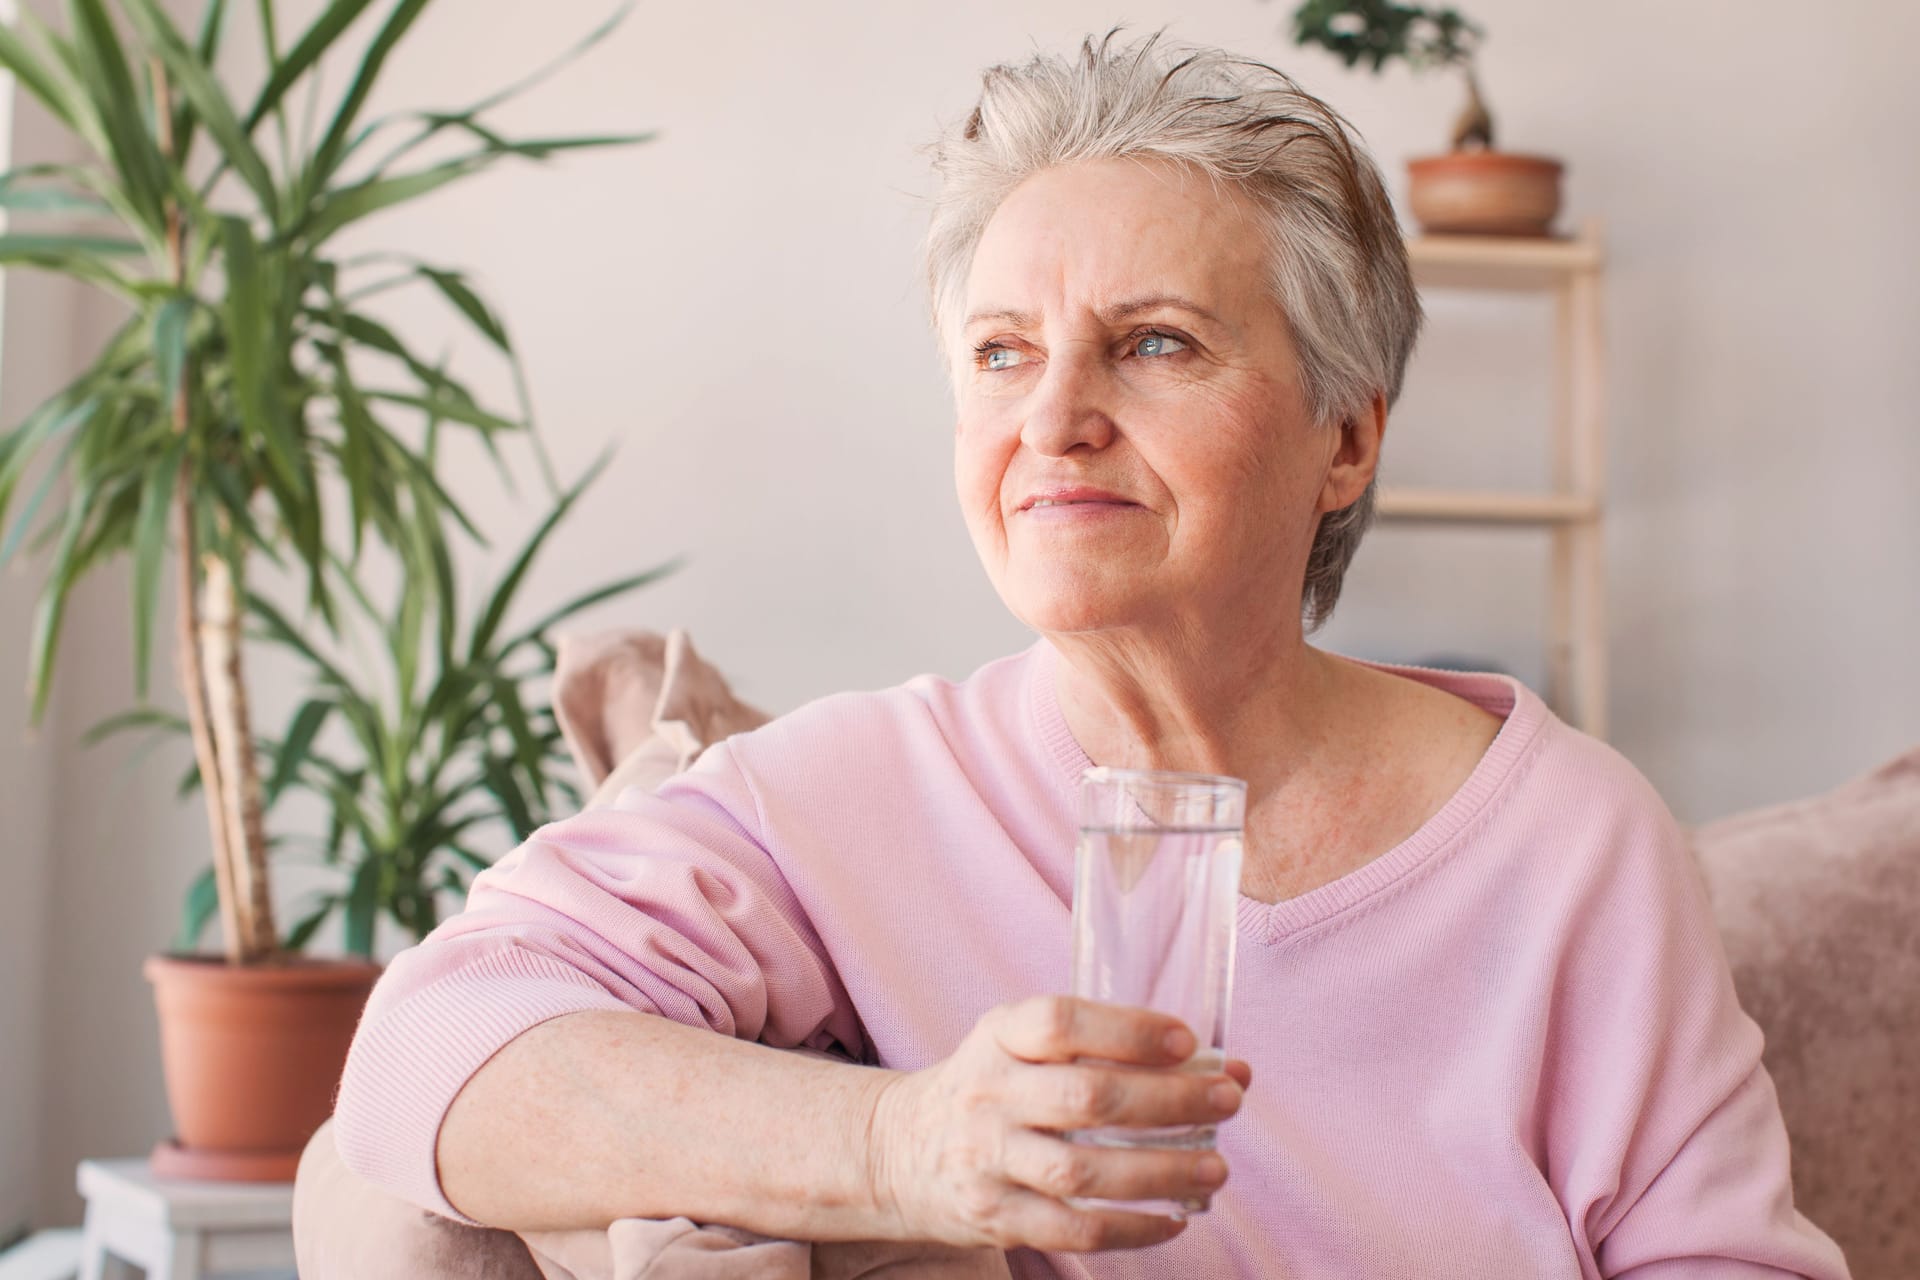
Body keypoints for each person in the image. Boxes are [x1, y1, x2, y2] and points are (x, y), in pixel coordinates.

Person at [330, 31, 1849, 1279]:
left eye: (1157, 342)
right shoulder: (854, 800)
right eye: (1001, 353)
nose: (1051, 417)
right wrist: (905, 1147)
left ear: (1348, 433)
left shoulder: (1570, 844)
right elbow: (425, 1057)